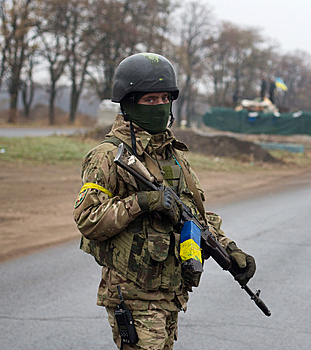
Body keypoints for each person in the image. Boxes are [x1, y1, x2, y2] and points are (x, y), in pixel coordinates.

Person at [73, 52, 256, 350]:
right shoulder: (107, 156)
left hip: (170, 292)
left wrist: (228, 249)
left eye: (163, 99)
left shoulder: (175, 157)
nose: (158, 106)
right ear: (129, 103)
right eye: (149, 100)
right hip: (132, 292)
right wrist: (143, 202)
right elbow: (88, 219)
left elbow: (197, 217)